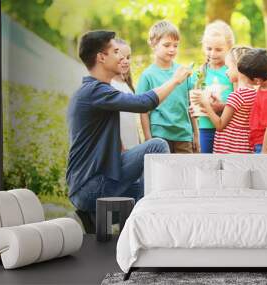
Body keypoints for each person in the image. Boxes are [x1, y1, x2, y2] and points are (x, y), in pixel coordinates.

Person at [67, 30, 191, 213]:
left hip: (94, 183)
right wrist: (175, 80)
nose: (122, 58)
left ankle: (145, 228)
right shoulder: (94, 92)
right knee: (156, 146)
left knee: (148, 196)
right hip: (89, 188)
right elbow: (144, 103)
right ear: (101, 57)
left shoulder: (97, 90)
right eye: (116, 52)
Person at [137, 20, 199, 153]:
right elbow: (143, 112)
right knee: (162, 173)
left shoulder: (184, 72)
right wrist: (148, 139)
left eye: (175, 45)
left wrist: (196, 134)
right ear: (153, 44)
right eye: (167, 45)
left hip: (183, 135)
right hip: (159, 136)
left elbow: (191, 106)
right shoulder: (147, 75)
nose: (172, 49)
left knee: (185, 172)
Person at [193, 46, 256, 153]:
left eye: (229, 68)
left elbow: (220, 125)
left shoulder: (236, 96)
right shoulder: (254, 93)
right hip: (244, 146)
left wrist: (206, 105)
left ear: (239, 68)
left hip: (231, 148)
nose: (226, 72)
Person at [191, 20, 235, 153]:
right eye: (209, 49)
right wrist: (194, 110)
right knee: (208, 165)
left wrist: (221, 106)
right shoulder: (200, 73)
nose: (213, 54)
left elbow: (241, 100)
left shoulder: (232, 71)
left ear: (229, 48)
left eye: (219, 50)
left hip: (229, 128)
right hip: (205, 128)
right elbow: (195, 99)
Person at [110, 38, 140, 150]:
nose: (126, 61)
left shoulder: (126, 84)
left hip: (134, 144)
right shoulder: (110, 85)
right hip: (121, 148)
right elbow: (112, 123)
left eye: (128, 57)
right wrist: (121, 148)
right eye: (121, 58)